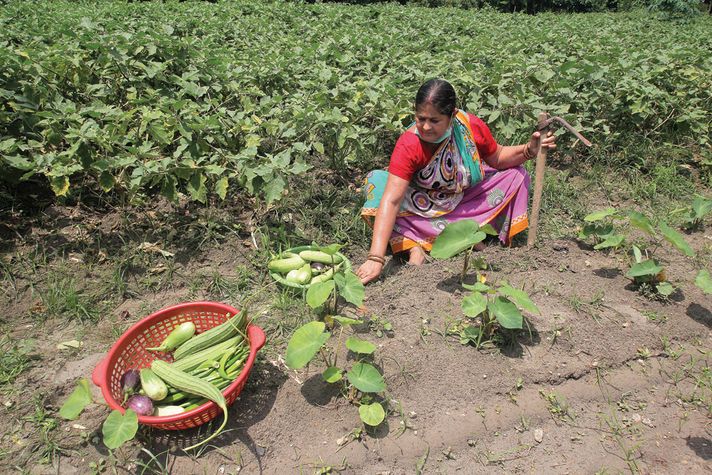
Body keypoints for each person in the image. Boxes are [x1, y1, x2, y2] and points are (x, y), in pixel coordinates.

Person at [357, 78, 556, 285]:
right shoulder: (409, 144)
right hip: (419, 205)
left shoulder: (470, 127)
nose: (425, 127)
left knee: (516, 175)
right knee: (377, 185)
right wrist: (375, 259)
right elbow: (392, 201)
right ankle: (418, 245)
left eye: (434, 121)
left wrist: (528, 150)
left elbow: (497, 157)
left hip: (460, 199)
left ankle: (443, 235)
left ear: (452, 115)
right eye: (420, 118)